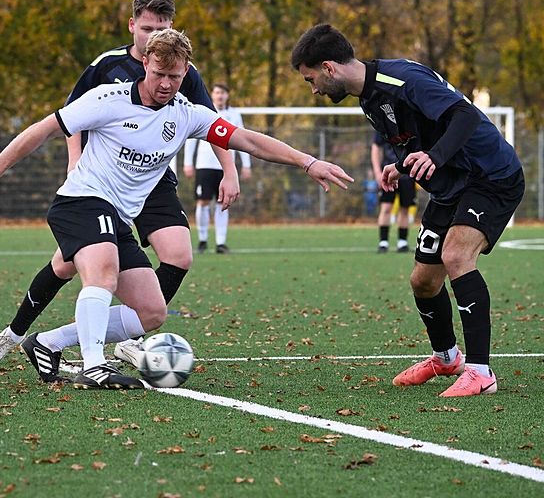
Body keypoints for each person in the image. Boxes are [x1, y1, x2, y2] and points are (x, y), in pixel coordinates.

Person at [0, 28, 352, 389]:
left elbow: (248, 140)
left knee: (151, 312)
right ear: (146, 64)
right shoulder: (107, 99)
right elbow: (44, 129)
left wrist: (307, 161)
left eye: (175, 76)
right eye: (158, 74)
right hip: (80, 201)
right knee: (101, 272)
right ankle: (93, 364)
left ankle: (47, 342)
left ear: (185, 71)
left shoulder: (187, 113)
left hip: (117, 215)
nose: (166, 84)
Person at [0, 0, 240, 369]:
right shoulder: (107, 68)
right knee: (68, 266)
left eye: (163, 28)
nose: (155, 36)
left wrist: (228, 171)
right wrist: (75, 164)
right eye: (148, 28)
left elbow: (214, 124)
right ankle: (15, 333)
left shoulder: (184, 72)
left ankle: (129, 336)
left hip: (154, 177)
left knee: (179, 256)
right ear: (133, 26)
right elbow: (69, 120)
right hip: (101, 180)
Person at [291, 23, 524, 397]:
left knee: (456, 255)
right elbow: (414, 135)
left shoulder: (401, 78)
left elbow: (464, 115)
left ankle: (481, 372)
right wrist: (400, 166)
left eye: (311, 79)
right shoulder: (367, 97)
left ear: (329, 67)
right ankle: (447, 357)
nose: (314, 88)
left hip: (490, 175)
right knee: (423, 281)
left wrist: (434, 156)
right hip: (451, 187)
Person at [183, 83, 252, 254]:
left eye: (223, 93)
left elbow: (243, 139)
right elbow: (191, 139)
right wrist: (188, 163)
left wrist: (246, 165)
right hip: (204, 165)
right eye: (217, 93)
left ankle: (221, 242)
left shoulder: (234, 115)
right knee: (203, 202)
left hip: (224, 167)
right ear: (212, 95)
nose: (220, 96)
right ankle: (202, 239)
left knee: (223, 203)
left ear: (227, 95)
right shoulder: (203, 111)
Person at [371, 131, 417, 253]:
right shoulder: (384, 123)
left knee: (405, 207)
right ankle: (383, 242)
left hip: (407, 174)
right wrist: (377, 172)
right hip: (388, 172)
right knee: (386, 207)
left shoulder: (410, 123)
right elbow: (376, 147)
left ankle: (402, 242)